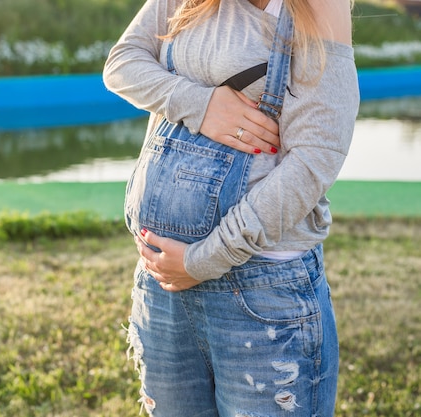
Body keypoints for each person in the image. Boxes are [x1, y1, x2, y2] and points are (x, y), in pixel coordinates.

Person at [102, 0, 359, 416]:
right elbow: (122, 62)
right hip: (161, 286)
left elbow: (315, 160)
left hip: (261, 294)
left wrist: (204, 258)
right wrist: (199, 105)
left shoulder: (318, 6)